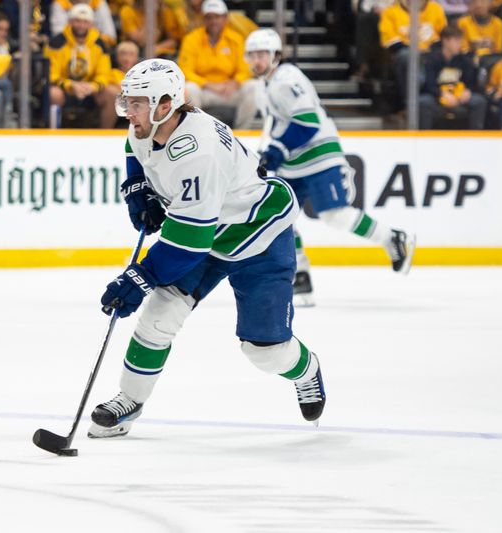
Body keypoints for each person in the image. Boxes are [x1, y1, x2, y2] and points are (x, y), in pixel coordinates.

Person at [88, 58, 327, 439]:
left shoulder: (197, 151)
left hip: (258, 233)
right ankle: (129, 401)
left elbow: (188, 243)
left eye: (136, 104)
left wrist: (140, 277)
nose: (128, 112)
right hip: (210, 229)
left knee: (264, 351)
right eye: (127, 102)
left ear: (165, 104)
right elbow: (135, 150)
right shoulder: (149, 124)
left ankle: (307, 369)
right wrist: (138, 188)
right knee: (160, 313)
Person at [245, 29, 415, 307]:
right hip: (294, 163)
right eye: (252, 55)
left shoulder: (286, 79)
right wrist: (270, 150)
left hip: (320, 156)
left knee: (335, 215)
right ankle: (301, 278)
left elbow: (308, 121)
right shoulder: (265, 85)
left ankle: (392, 238)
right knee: (280, 218)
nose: (257, 60)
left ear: (276, 55)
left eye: (262, 54)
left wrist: (277, 150)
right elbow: (279, 124)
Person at [177, 0, 259, 129]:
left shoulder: (236, 39)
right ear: (204, 19)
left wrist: (235, 82)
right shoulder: (192, 39)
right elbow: (185, 70)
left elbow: (245, 68)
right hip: (204, 90)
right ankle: (195, 130)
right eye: (209, 17)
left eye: (217, 17)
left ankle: (242, 132)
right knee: (189, 88)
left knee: (253, 86)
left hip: (229, 90)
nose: (213, 21)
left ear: (225, 18)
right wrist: (207, 84)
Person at [45, 4, 114, 128]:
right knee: (53, 93)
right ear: (70, 21)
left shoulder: (100, 44)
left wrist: (93, 86)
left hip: (90, 89)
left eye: (85, 21)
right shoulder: (56, 42)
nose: (81, 25)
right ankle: (53, 132)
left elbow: (104, 74)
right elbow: (51, 74)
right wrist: (70, 85)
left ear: (91, 24)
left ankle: (104, 134)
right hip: (65, 88)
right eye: (77, 21)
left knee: (112, 93)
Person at [419, 25, 488, 129]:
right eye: (456, 41)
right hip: (437, 96)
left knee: (479, 101)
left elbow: (470, 81)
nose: (459, 45)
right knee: (423, 102)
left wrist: (467, 91)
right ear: (445, 41)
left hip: (459, 95)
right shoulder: (432, 60)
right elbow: (429, 84)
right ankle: (423, 137)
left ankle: (475, 137)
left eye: (460, 41)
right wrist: (441, 94)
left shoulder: (465, 60)